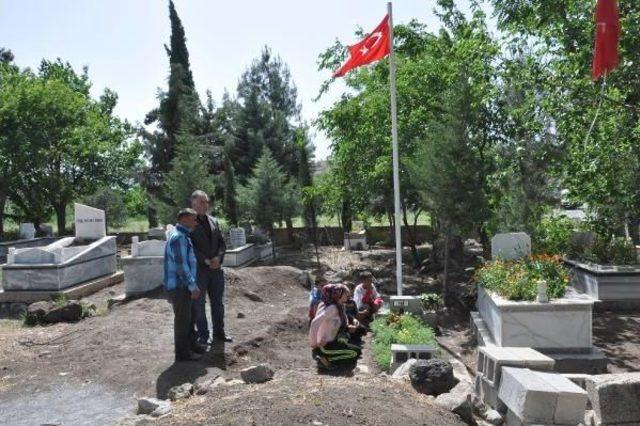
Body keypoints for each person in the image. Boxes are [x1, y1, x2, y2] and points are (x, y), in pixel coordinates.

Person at [189, 190, 232, 344]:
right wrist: (205, 260)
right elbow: (190, 247)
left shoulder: (213, 220)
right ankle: (203, 335)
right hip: (199, 270)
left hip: (216, 270)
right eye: (202, 202)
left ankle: (219, 333)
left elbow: (222, 243)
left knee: (218, 303)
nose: (206, 205)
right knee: (199, 304)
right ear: (193, 203)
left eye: (207, 202)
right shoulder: (188, 222)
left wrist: (218, 258)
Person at [164, 208, 204, 362]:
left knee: (191, 317)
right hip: (180, 287)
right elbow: (181, 267)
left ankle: (192, 345)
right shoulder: (178, 237)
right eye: (194, 219)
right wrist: (192, 286)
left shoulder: (184, 236)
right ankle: (182, 354)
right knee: (183, 321)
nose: (196, 223)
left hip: (185, 286)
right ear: (185, 219)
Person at [309, 284, 362, 370]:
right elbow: (314, 323)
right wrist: (314, 344)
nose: (347, 295)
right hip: (325, 344)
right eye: (345, 293)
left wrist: (349, 326)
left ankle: (323, 355)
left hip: (333, 339)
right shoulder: (332, 308)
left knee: (356, 339)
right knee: (355, 353)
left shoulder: (339, 305)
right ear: (338, 295)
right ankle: (324, 359)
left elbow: (337, 323)